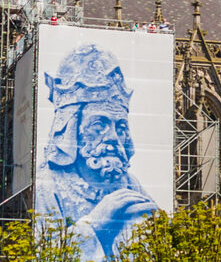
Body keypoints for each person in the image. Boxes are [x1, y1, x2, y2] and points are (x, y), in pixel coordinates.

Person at [35, 43, 160, 260]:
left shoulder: (131, 184)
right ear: (73, 128)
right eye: (99, 124)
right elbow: (44, 254)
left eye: (120, 127)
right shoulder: (47, 184)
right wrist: (95, 224)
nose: (113, 137)